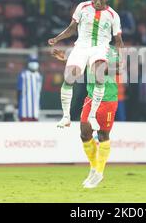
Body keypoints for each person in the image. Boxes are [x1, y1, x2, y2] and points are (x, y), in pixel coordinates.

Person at [48, 0, 124, 131]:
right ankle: (66, 117)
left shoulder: (113, 15)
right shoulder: (82, 7)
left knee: (99, 74)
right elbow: (71, 29)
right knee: (70, 76)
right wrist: (57, 39)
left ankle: (92, 116)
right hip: (81, 46)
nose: (97, 1)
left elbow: (119, 41)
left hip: (100, 48)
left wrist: (120, 57)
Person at [51, 47, 120, 189]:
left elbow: (117, 67)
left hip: (108, 99)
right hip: (90, 97)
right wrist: (66, 57)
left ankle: (99, 172)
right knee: (84, 133)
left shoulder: (110, 50)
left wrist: (97, 66)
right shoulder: (86, 46)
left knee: (103, 135)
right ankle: (94, 168)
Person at [17, 55, 43, 122]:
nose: (34, 64)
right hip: (24, 111)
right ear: (28, 63)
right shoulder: (23, 75)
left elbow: (39, 93)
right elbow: (19, 91)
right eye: (32, 61)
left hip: (35, 111)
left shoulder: (39, 76)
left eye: (35, 62)